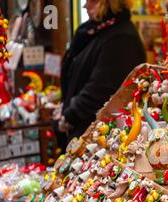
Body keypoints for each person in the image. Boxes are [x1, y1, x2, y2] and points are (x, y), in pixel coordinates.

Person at [54, 0, 146, 150]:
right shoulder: (97, 32)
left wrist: (70, 114)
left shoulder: (121, 38)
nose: (85, 6)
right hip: (88, 130)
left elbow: (100, 89)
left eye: (90, 1)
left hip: (100, 138)